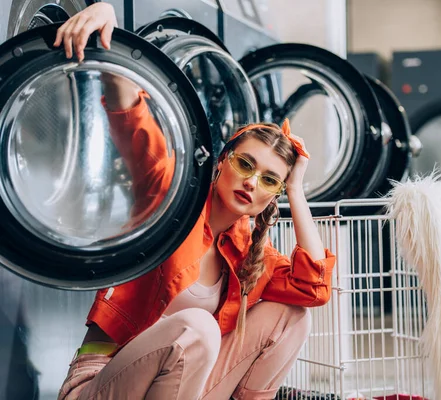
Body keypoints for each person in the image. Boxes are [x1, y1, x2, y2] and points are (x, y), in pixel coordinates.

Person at [54, 3, 336, 399]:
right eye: (245, 164)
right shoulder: (169, 197)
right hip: (103, 383)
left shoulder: (248, 251)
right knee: (198, 327)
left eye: (269, 179)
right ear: (222, 162)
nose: (251, 182)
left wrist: (296, 189)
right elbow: (131, 118)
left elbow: (313, 289)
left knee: (292, 316)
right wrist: (107, 23)